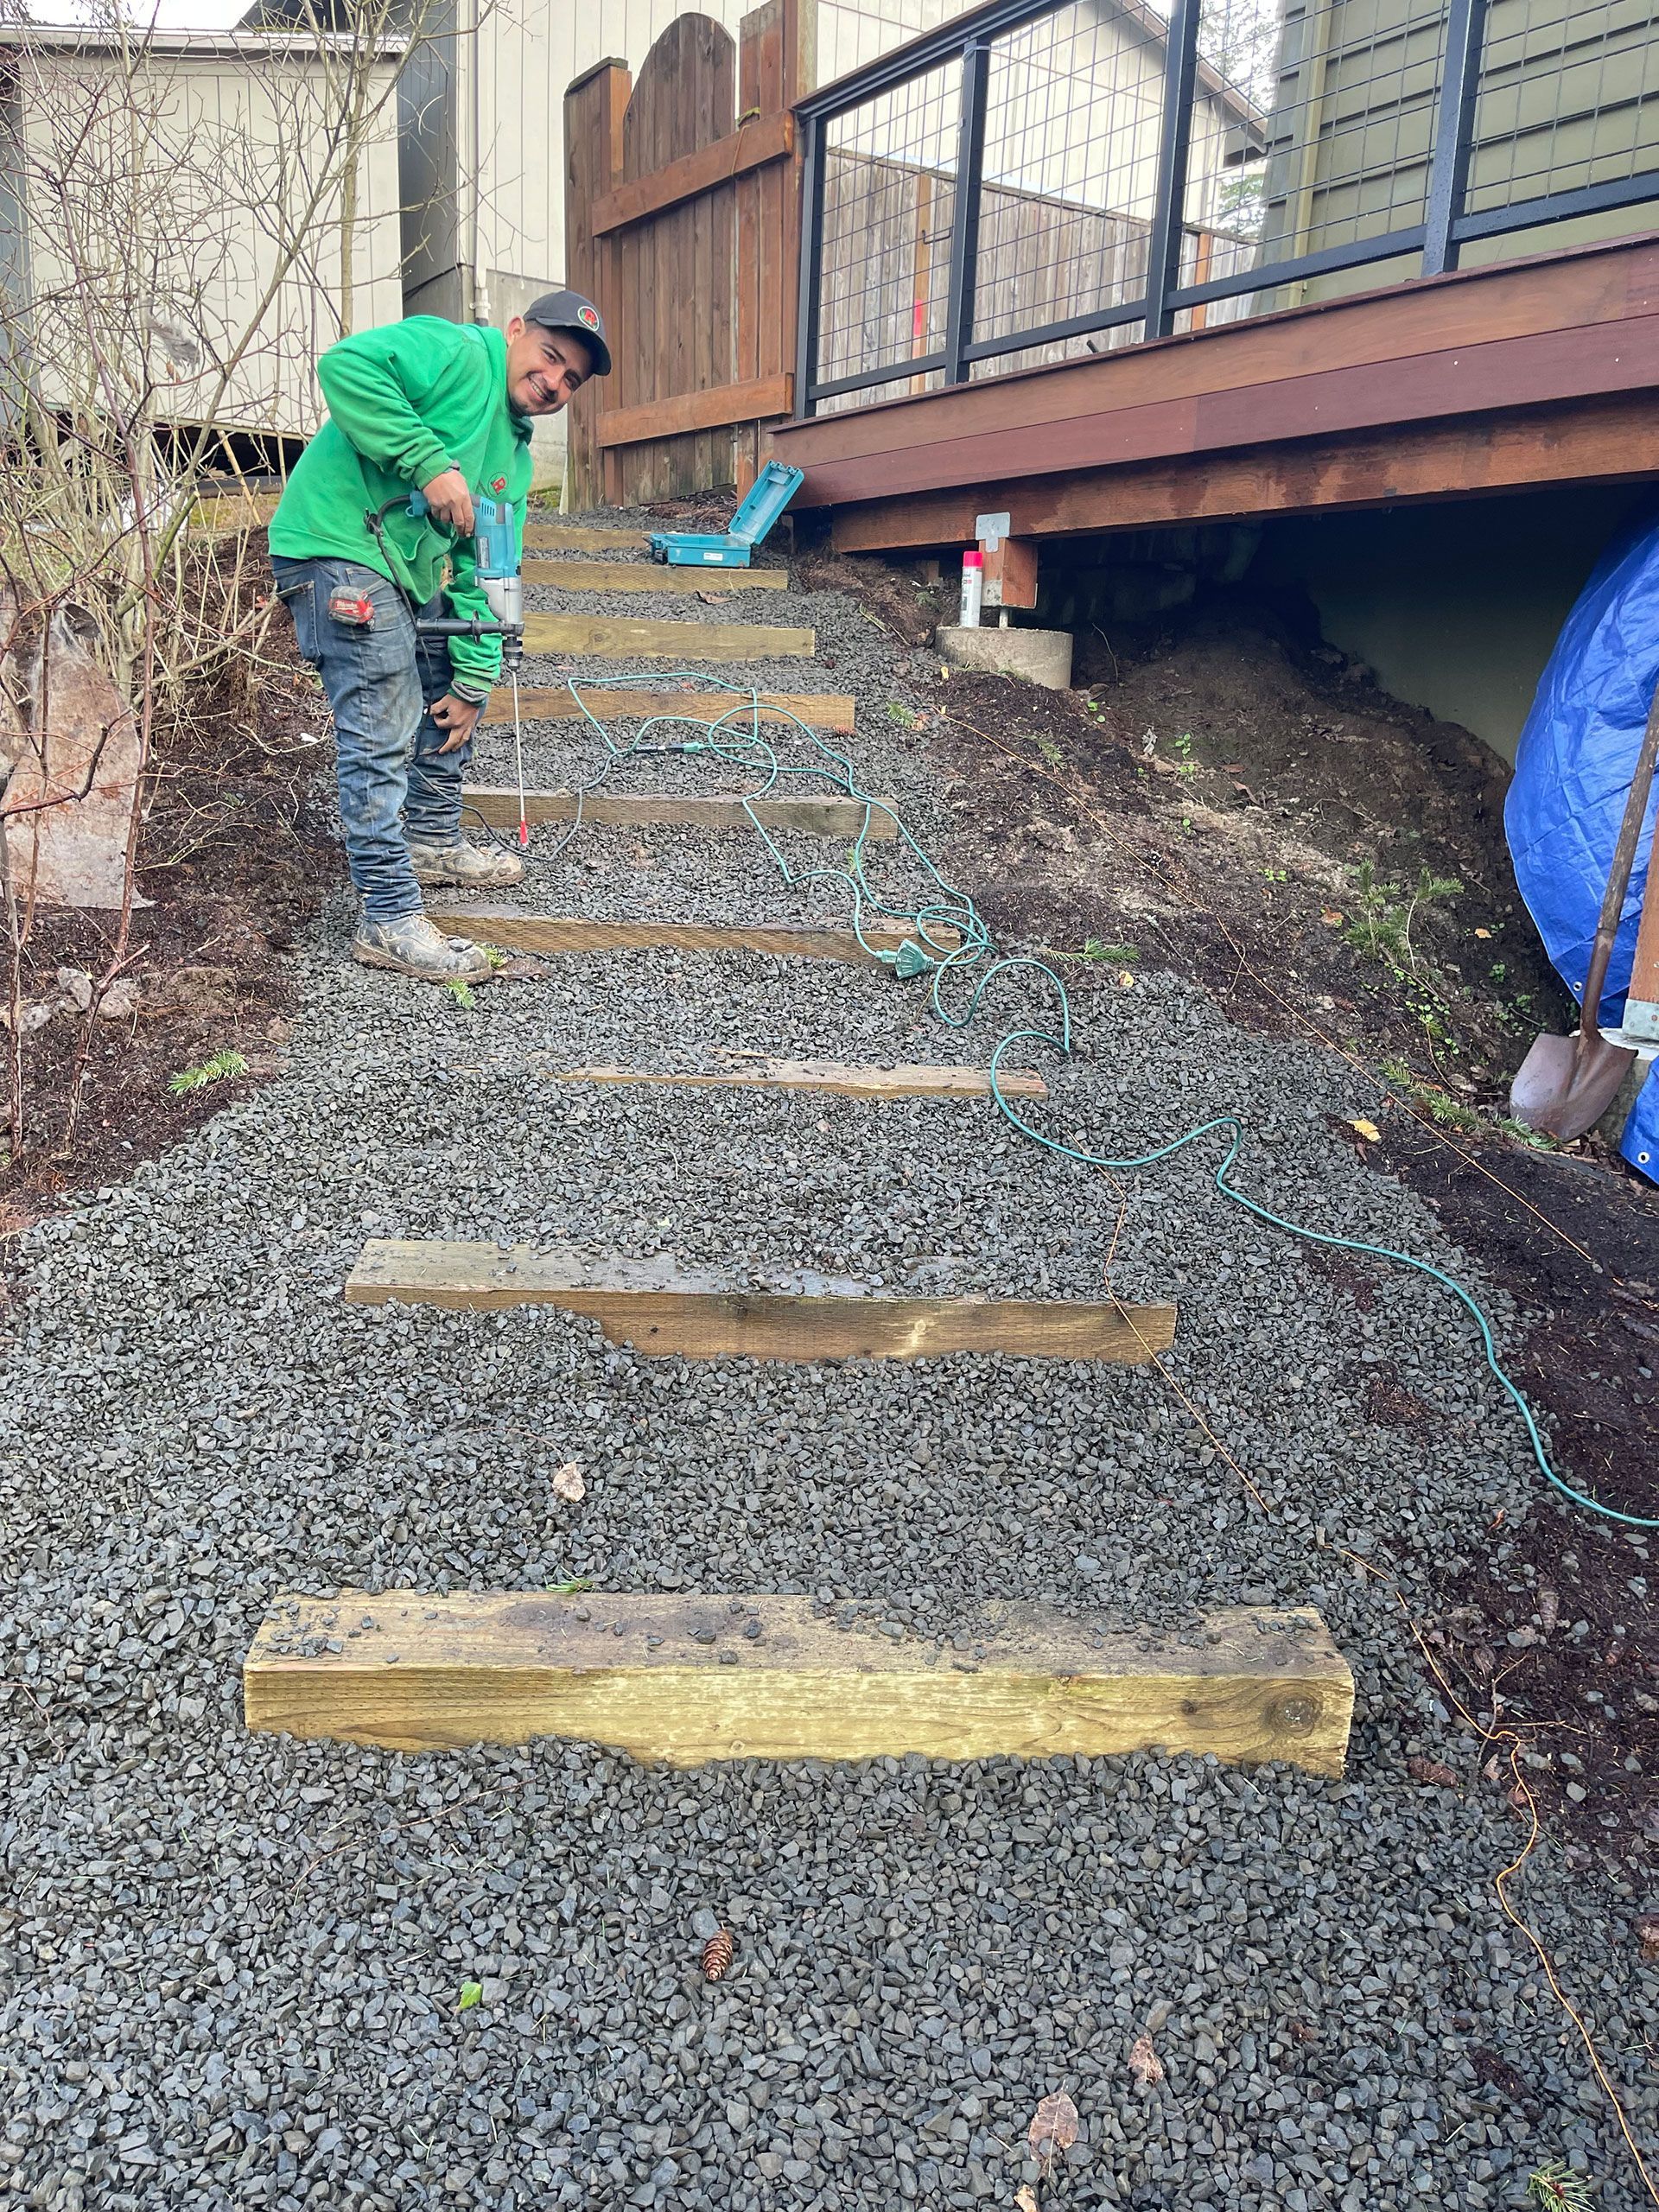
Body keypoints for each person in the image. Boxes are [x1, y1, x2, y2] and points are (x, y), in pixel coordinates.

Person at [269, 289, 613, 983]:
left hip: (405, 567)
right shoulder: (457, 352)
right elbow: (345, 366)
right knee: (383, 722)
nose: (554, 383)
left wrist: (477, 677)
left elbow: (490, 568)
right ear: (516, 332)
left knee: (445, 665)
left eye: (570, 380)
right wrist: (427, 462)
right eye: (550, 358)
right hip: (335, 545)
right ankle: (387, 916)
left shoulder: (512, 461)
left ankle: (429, 836)